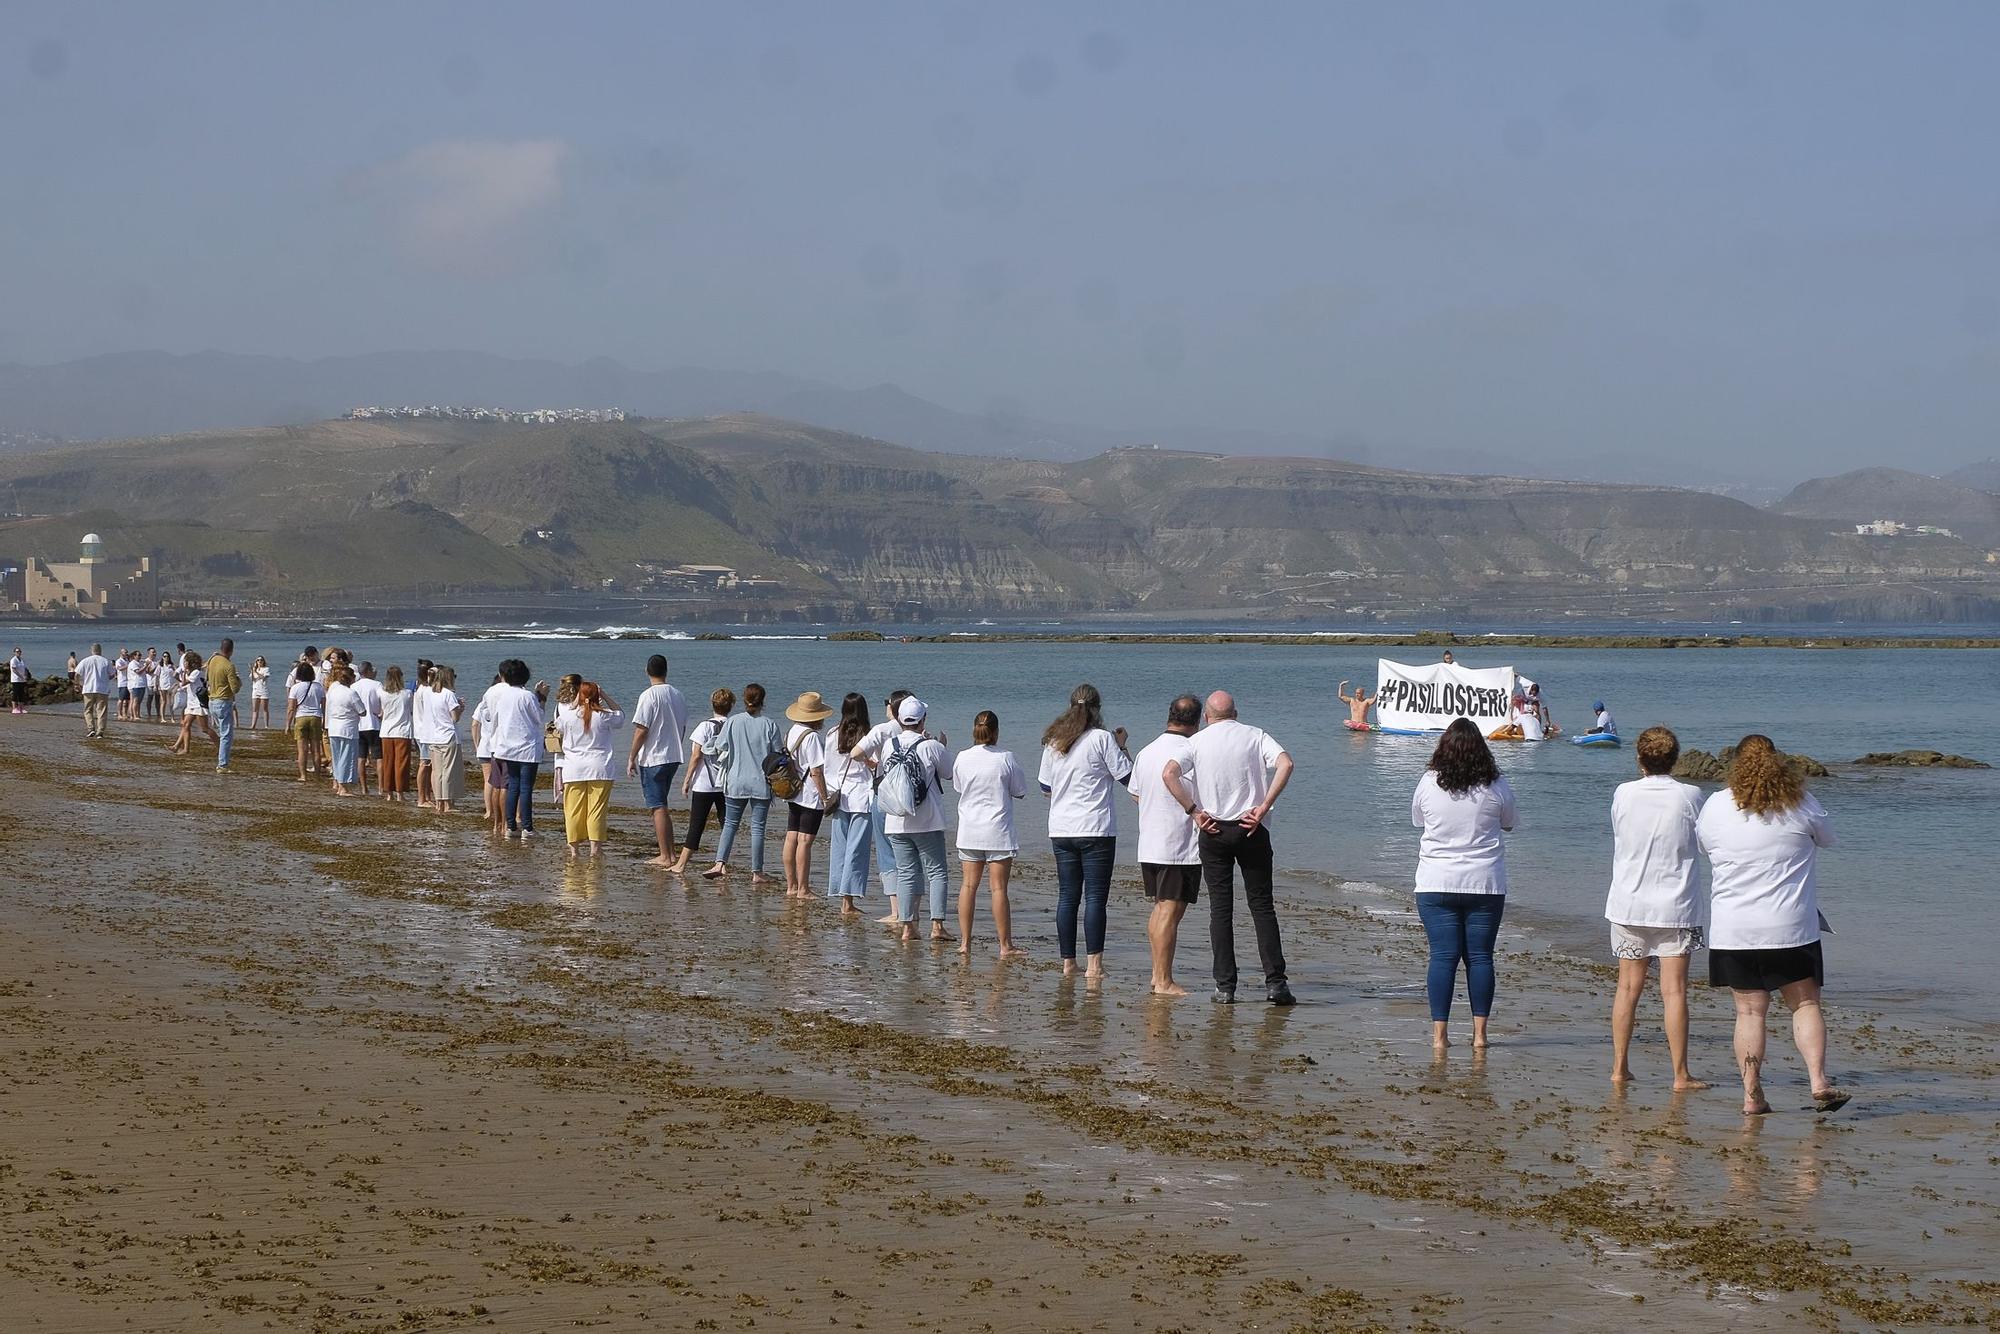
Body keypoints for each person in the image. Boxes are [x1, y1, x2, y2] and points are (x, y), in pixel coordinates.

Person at [1698, 735, 1848, 1116]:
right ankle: (1818, 1081)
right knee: (1806, 1003)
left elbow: (1705, 846)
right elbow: (1828, 840)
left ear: (1734, 764)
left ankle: (1752, 1095)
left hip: (1734, 928)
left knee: (1749, 1012)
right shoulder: (1800, 803)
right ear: (1779, 762)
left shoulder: (1716, 805)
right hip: (1791, 926)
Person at [1163, 691, 1296, 1006]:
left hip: (1214, 829)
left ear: (1207, 716)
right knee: (1261, 906)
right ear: (1235, 713)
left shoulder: (1196, 742)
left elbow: (1169, 774)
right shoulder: (1254, 735)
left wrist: (1194, 811)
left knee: (1220, 910)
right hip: (1251, 827)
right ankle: (1276, 984)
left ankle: (1225, 986)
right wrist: (1264, 806)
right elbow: (1286, 763)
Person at [1605, 726, 1709, 1090]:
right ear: (1674, 759)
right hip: (1676, 905)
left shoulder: (1624, 793)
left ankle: (1620, 1067)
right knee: (1674, 991)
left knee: (1627, 988)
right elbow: (1704, 843)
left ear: (1640, 759)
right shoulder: (1691, 795)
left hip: (1630, 901)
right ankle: (1680, 1074)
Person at [1410, 719, 1517, 1051]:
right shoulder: (1496, 785)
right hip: (1483, 882)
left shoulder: (1429, 782)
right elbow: (1510, 823)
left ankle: (1440, 1038)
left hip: (1436, 881)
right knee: (1481, 957)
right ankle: (1480, 1036)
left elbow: (1418, 820)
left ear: (1443, 748)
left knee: (1443, 956)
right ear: (1482, 751)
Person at [1037, 684, 1132, 978]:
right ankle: (1094, 966)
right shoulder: (1103, 739)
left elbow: (1045, 786)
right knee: (1095, 898)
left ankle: (1068, 963)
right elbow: (1128, 777)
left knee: (1067, 896)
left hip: (1062, 828)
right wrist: (1122, 745)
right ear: (1097, 710)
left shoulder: (1055, 740)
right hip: (1095, 828)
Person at [857, 696, 952, 944]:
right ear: (922, 721)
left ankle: (908, 927)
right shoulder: (930, 746)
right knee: (937, 872)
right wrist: (943, 745)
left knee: (907, 873)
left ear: (900, 719)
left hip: (895, 819)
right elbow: (949, 774)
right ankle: (937, 926)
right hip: (927, 819)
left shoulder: (890, 745)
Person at [1134, 695, 1203, 996]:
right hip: (1178, 842)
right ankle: (1163, 980)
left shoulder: (1147, 750)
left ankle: (1156, 975)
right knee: (1170, 911)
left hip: (1150, 840)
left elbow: (1136, 793)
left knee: (1162, 907)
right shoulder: (1191, 750)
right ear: (1197, 720)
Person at [952, 710, 1028, 958]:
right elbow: (1020, 791)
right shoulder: (1006, 757)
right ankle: (1005, 945)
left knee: (968, 886)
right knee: (998, 889)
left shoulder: (963, 757)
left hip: (970, 830)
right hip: (997, 830)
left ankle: (964, 942)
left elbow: (958, 787)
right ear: (995, 732)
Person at [705, 683, 786, 884]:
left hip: (736, 780)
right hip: (761, 783)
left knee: (730, 824)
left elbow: (719, 746)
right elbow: (777, 754)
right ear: (763, 701)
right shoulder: (770, 724)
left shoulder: (733, 721)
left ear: (744, 699)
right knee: (757, 828)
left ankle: (719, 863)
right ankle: (757, 872)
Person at [627, 654, 690, 868]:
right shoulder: (677, 694)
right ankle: (669, 853)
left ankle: (666, 855)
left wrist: (631, 756)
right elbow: (681, 726)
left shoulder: (649, 695)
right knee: (662, 804)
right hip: (673, 755)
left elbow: (641, 730)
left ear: (647, 671)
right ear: (666, 671)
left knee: (658, 806)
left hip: (654, 757)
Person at [554, 681, 623, 858]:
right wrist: (605, 695)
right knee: (596, 810)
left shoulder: (568, 717)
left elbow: (557, 726)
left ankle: (574, 849)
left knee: (573, 810)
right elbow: (620, 714)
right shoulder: (604, 715)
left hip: (574, 768)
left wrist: (577, 702)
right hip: (600, 767)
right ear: (596, 696)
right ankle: (595, 849)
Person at [480, 658, 546, 839]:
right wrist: (542, 697)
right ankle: (527, 828)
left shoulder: (502, 694)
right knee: (525, 788)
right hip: (526, 748)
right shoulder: (527, 696)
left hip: (506, 747)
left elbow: (490, 715)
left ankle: (510, 826)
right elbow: (539, 717)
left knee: (513, 786)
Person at [823, 692, 875, 915]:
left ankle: (841, 896)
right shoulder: (869, 735)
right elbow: (875, 766)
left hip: (839, 796)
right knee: (857, 850)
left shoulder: (833, 734)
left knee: (840, 848)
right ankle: (848, 902)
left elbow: (828, 768)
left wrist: (829, 791)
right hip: (862, 797)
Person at [780, 691, 834, 898]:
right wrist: (825, 796)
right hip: (810, 794)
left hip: (793, 791)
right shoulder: (811, 737)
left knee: (791, 837)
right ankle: (803, 888)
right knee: (805, 841)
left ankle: (791, 886)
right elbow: (816, 771)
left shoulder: (791, 731)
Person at [675, 688, 734, 876]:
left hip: (704, 783)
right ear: (731, 706)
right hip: (727, 783)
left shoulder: (704, 727)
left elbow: (696, 755)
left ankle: (681, 865)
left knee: (697, 824)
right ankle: (722, 863)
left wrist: (687, 780)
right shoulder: (733, 725)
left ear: (712, 704)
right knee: (727, 824)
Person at [414, 665, 465, 814]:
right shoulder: (448, 694)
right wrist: (460, 709)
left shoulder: (429, 693)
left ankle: (438, 802)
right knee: (447, 771)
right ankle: (447, 804)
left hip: (433, 737)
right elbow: (454, 718)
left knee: (436, 772)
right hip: (447, 736)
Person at [378, 665, 415, 801]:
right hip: (402, 731)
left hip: (387, 731)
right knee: (401, 763)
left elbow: (380, 711)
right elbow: (411, 710)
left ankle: (389, 793)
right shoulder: (407, 694)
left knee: (388, 762)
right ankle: (400, 793)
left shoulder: (382, 693)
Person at [205, 638, 241, 772]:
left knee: (222, 732)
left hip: (212, 700)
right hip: (223, 701)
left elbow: (207, 677)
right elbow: (235, 688)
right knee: (226, 734)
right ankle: (222, 764)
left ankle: (222, 760)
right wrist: (238, 679)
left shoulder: (212, 660)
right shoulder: (228, 665)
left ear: (221, 648)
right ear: (231, 650)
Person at [353, 663, 385, 796]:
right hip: (374, 724)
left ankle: (364, 787)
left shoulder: (354, 686)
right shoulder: (377, 684)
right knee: (379, 757)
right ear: (369, 671)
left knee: (361, 757)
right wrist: (380, 713)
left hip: (359, 725)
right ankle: (381, 787)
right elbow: (382, 701)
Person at [171, 651, 211, 755]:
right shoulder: (193, 672)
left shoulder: (196, 672)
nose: (184, 663)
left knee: (205, 729)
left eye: (185, 662)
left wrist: (183, 672)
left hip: (198, 703)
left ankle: (220, 745)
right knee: (185, 724)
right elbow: (183, 684)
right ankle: (181, 748)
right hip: (192, 703)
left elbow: (184, 682)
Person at [77, 643, 112, 738]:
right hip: (102, 689)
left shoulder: (85, 661)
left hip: (88, 688)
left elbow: (77, 673)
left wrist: (78, 684)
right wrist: (107, 679)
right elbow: (112, 674)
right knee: (101, 710)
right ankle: (100, 731)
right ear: (100, 650)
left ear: (91, 650)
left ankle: (91, 728)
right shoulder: (106, 661)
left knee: (88, 710)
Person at [249, 656, 272, 731]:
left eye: (261, 660)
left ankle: (266, 726)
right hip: (255, 690)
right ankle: (253, 725)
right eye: (258, 660)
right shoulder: (254, 669)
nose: (259, 661)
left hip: (263, 691)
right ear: (256, 662)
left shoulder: (266, 669)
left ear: (263, 661)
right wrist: (252, 671)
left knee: (265, 709)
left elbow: (263, 677)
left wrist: (256, 672)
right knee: (255, 709)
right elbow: (252, 679)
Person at [9, 646, 31, 714]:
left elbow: (24, 668)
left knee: (21, 694)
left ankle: (21, 708)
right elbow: (14, 670)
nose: (18, 653)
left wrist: (26, 675)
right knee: (15, 694)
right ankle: (14, 708)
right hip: (16, 680)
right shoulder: (13, 660)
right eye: (17, 651)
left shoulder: (21, 660)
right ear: (14, 653)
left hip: (22, 680)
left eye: (19, 651)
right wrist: (21, 676)